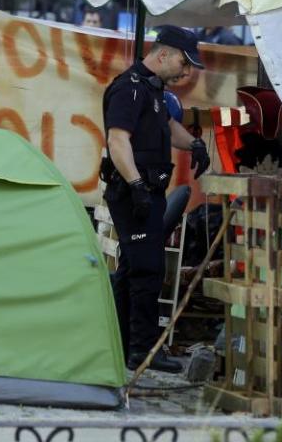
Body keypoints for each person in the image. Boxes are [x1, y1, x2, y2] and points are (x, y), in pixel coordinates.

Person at [101, 25, 210, 373]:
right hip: (135, 193)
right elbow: (118, 141)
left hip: (148, 191)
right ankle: (143, 352)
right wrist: (135, 186)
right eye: (184, 62)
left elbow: (165, 126)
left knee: (133, 268)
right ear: (162, 54)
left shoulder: (153, 89)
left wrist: (194, 144)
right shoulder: (128, 89)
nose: (187, 71)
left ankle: (122, 344)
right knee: (148, 271)